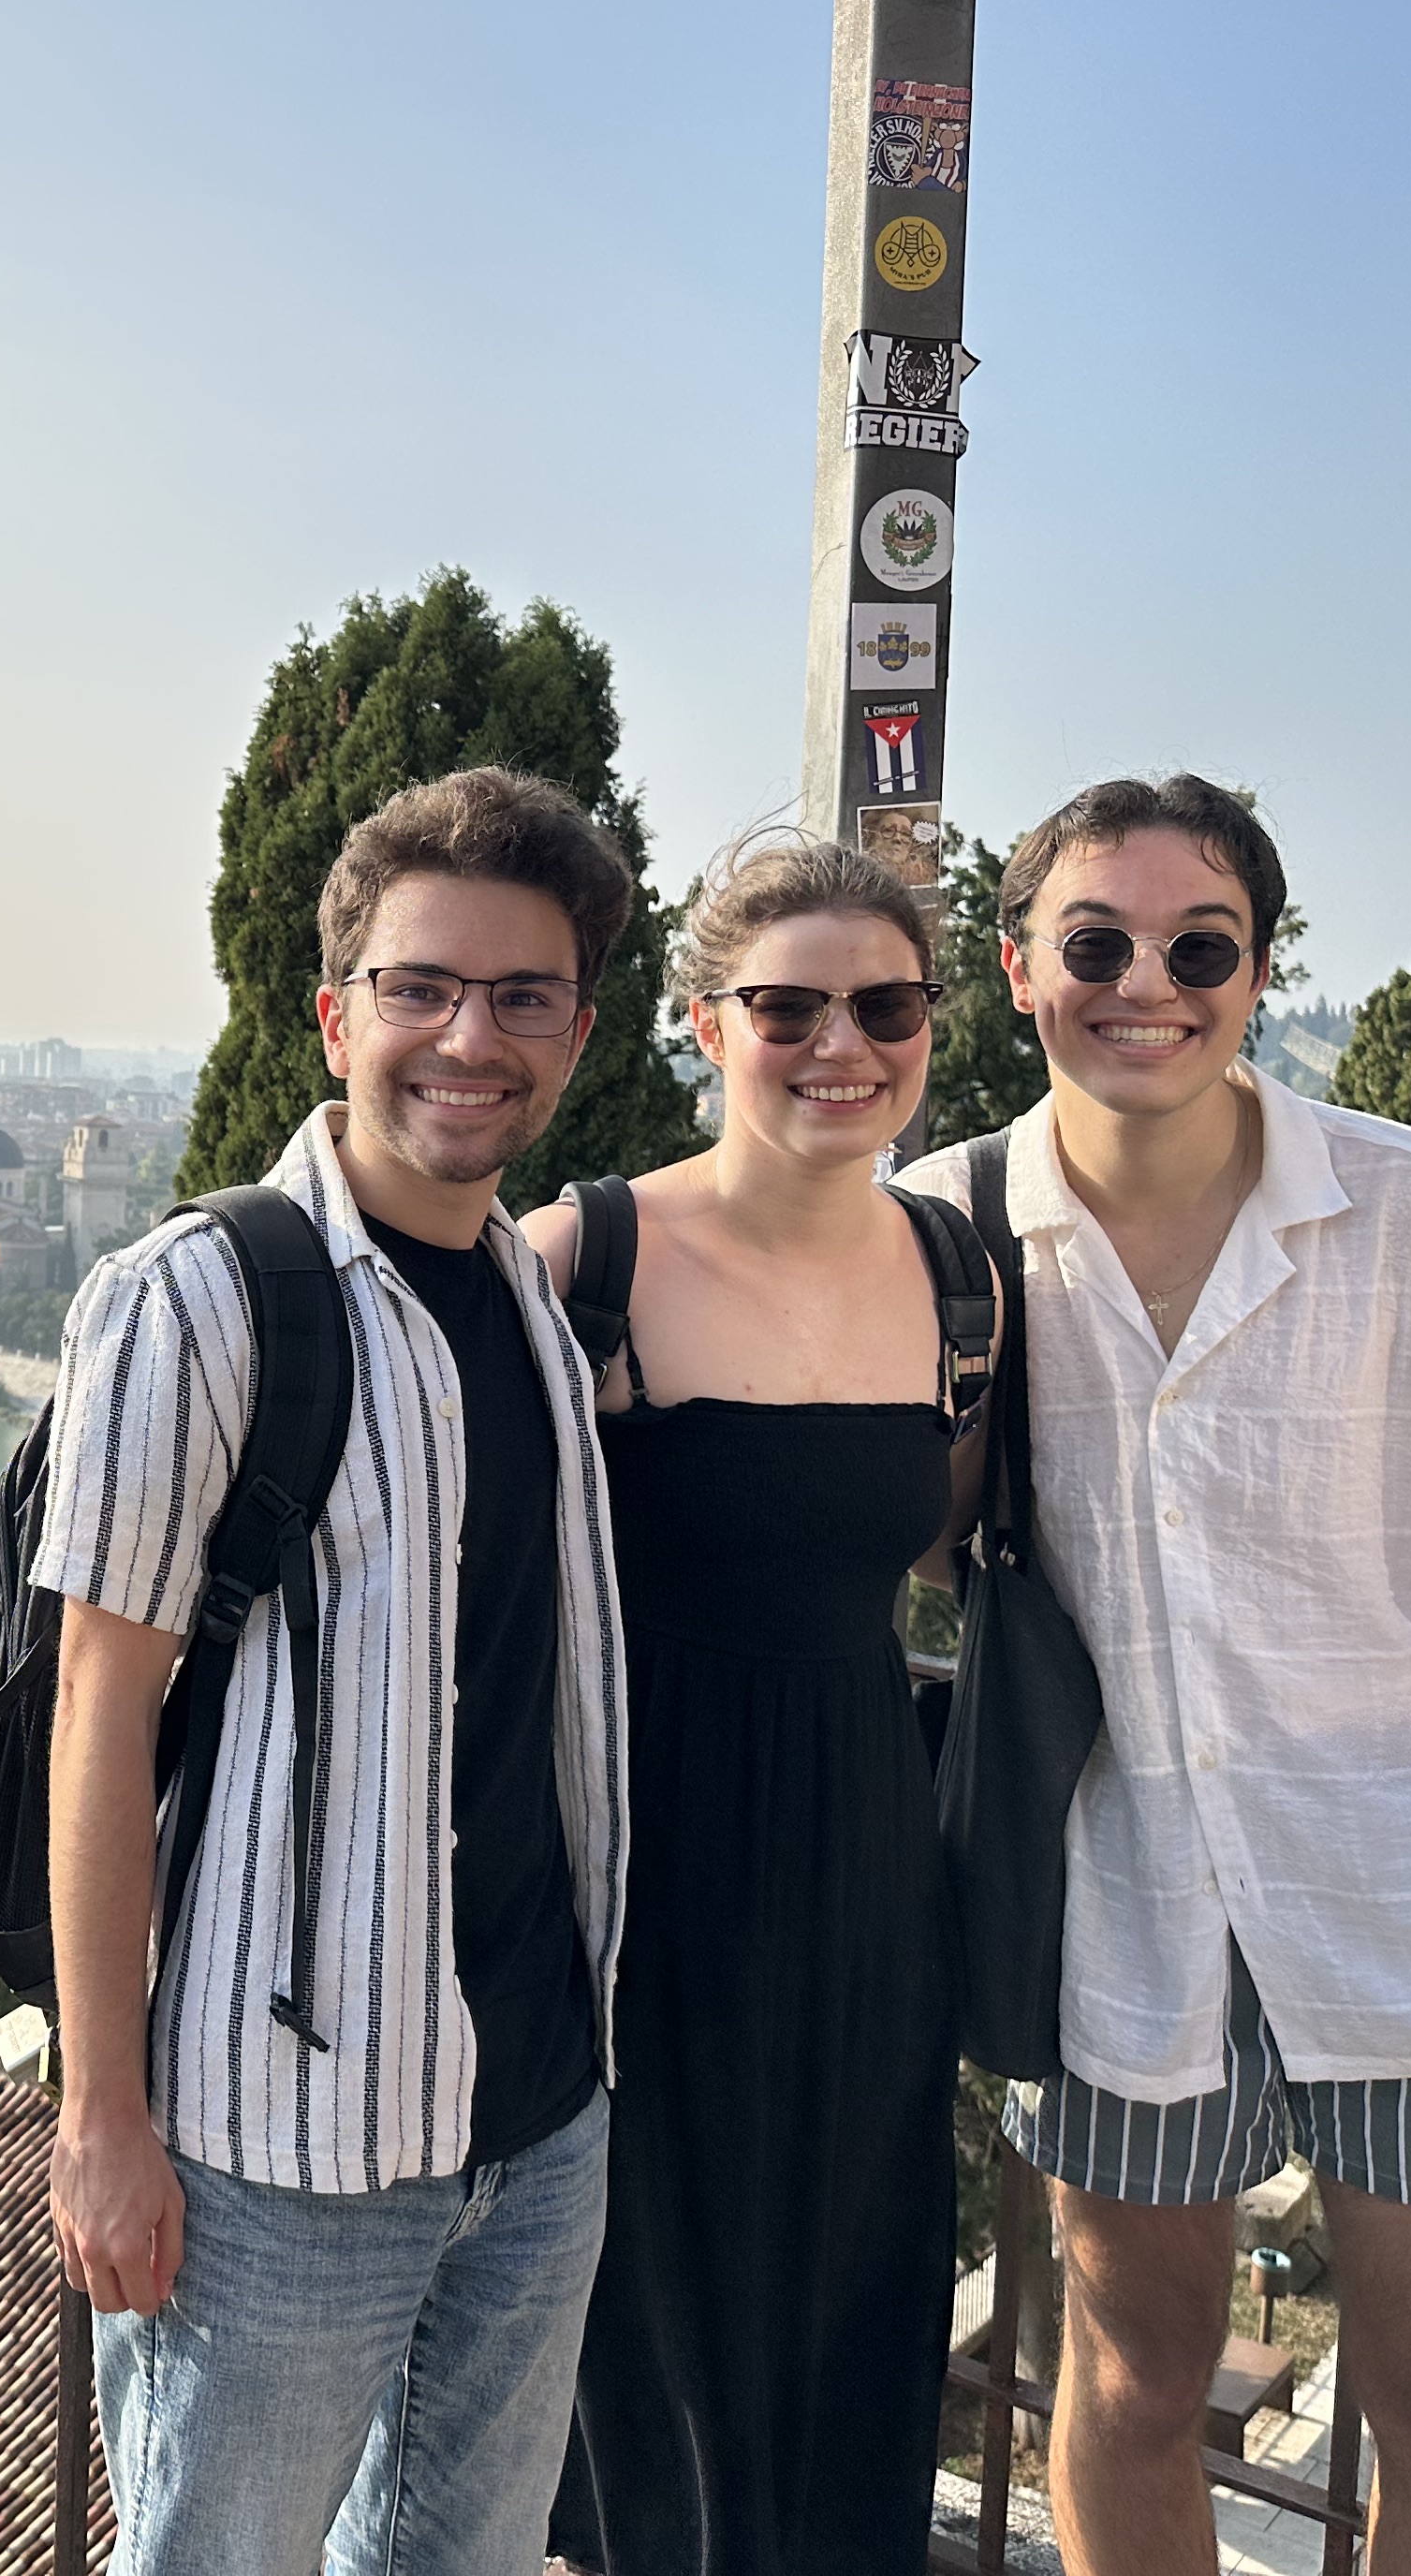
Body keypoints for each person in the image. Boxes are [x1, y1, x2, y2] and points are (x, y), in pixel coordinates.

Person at [897, 775, 1411, 2576]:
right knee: (1132, 2377)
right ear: (1019, 969)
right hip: (1111, 1907)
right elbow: (896, 1538)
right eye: (1096, 941)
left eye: (1198, 944)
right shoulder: (938, 1233)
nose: (1144, 980)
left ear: (1254, 974)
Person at [37, 763, 636, 2576]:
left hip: (536, 2126)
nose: (471, 1036)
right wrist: (101, 2118)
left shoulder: (534, 1296)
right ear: (336, 1013)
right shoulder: (199, 1298)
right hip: (271, 2150)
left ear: (579, 1034)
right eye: (422, 988)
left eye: (523, 996)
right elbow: (100, 1716)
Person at [529, 835, 978, 2574]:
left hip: (871, 1879)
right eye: (788, 1005)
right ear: (707, 1022)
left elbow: (947, 1550)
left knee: (849, 2292)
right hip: (647, 1880)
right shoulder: (593, 1257)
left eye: (884, 1004)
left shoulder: (955, 1274)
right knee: (654, 2328)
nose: (840, 1043)